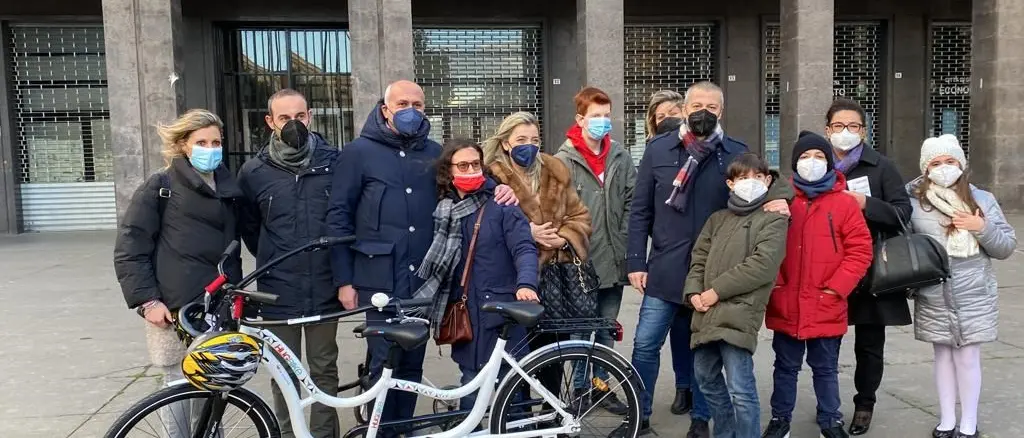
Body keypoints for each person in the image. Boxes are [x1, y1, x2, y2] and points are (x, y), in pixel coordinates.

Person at [327, 80, 517, 435]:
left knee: (412, 363)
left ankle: (403, 428)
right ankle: (382, 430)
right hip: (377, 279)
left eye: (417, 103)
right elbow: (339, 216)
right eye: (402, 103)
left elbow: (466, 178)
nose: (410, 110)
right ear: (385, 109)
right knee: (383, 362)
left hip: (423, 280)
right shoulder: (357, 153)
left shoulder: (434, 151)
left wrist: (500, 188)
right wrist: (344, 280)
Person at [626, 81, 746, 437]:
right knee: (645, 344)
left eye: (711, 106)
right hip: (664, 268)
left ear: (720, 112)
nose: (703, 112)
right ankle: (639, 413)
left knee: (703, 350)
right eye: (696, 105)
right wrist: (635, 261)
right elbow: (639, 210)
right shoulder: (659, 149)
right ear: (685, 107)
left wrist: (777, 199)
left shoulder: (735, 153)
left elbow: (758, 193)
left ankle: (701, 418)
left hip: (710, 273)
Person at [113, 109, 243, 437]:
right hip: (172, 311)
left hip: (218, 307)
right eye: (201, 141)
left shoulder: (228, 187)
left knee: (214, 392)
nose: (210, 148)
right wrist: (147, 301)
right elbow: (130, 247)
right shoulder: (161, 185)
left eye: (216, 141)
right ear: (184, 144)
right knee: (178, 395)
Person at [237, 89, 340, 438]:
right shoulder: (253, 172)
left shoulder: (334, 162)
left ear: (309, 117)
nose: (293, 124)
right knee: (284, 372)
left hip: (325, 286)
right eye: (284, 118)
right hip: (278, 291)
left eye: (299, 116)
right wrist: (273, 257)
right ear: (270, 122)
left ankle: (325, 434)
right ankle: (288, 433)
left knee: (324, 369)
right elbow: (250, 228)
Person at [762, 131, 874, 438]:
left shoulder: (844, 203)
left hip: (826, 301)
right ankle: (780, 419)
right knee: (785, 368)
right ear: (795, 163)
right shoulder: (780, 200)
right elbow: (762, 246)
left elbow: (860, 250)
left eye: (820, 157)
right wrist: (775, 285)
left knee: (825, 368)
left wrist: (837, 287)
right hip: (786, 300)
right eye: (805, 157)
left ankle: (830, 419)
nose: (812, 163)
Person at [414, 138, 540, 410]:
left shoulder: (501, 203)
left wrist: (526, 283)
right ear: (449, 171)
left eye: (475, 164)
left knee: (511, 387)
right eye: (463, 165)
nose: (471, 170)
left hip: (501, 311)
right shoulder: (443, 210)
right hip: (466, 315)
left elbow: (524, 247)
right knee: (470, 382)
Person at [906, 135, 1017, 438]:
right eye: (936, 163)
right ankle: (946, 419)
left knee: (968, 358)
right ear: (925, 168)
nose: (944, 168)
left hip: (974, 292)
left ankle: (969, 421)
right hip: (934, 292)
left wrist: (982, 228)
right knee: (942, 355)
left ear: (961, 164)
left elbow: (1006, 246)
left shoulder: (982, 199)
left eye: (950, 161)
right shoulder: (916, 201)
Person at [482, 110, 591, 403]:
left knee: (551, 359)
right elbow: (486, 226)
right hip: (514, 278)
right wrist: (527, 232)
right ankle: (519, 419)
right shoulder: (491, 176)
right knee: (516, 359)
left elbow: (580, 215)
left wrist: (564, 237)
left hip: (556, 282)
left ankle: (553, 417)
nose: (528, 145)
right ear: (505, 143)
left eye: (534, 139)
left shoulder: (555, 169)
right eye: (520, 139)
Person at [822, 98, 915, 436]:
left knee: (869, 345)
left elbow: (903, 212)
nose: (845, 132)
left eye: (853, 126)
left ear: (864, 130)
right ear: (827, 129)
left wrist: (866, 204)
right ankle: (827, 406)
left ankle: (865, 404)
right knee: (825, 344)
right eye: (838, 126)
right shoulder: (816, 163)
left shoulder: (882, 167)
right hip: (828, 269)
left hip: (872, 269)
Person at [685, 152, 790, 438]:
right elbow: (699, 258)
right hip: (705, 310)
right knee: (705, 378)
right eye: (743, 178)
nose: (751, 182)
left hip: (739, 312)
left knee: (741, 388)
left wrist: (715, 292)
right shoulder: (718, 219)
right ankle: (726, 432)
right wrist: (694, 291)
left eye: (757, 176)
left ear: (768, 180)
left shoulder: (772, 218)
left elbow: (762, 265)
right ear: (731, 184)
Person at [554, 86, 634, 415]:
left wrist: (627, 240)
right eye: (595, 116)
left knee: (605, 329)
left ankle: (601, 387)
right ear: (580, 119)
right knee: (579, 331)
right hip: (580, 262)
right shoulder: (563, 160)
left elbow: (632, 200)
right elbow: (555, 208)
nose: (602, 122)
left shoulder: (619, 155)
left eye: (606, 115)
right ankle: (579, 389)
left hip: (614, 260)